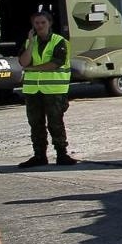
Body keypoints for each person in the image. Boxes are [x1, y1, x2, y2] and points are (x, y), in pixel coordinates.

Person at [17, 11, 77, 167]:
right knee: (35, 124)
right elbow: (24, 62)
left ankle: (62, 155)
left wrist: (34, 69)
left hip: (54, 90)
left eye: (43, 22)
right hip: (33, 91)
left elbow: (56, 63)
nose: (39, 26)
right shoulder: (30, 42)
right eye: (36, 23)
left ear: (50, 23)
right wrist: (30, 43)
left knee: (55, 123)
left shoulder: (59, 41)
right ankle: (39, 156)